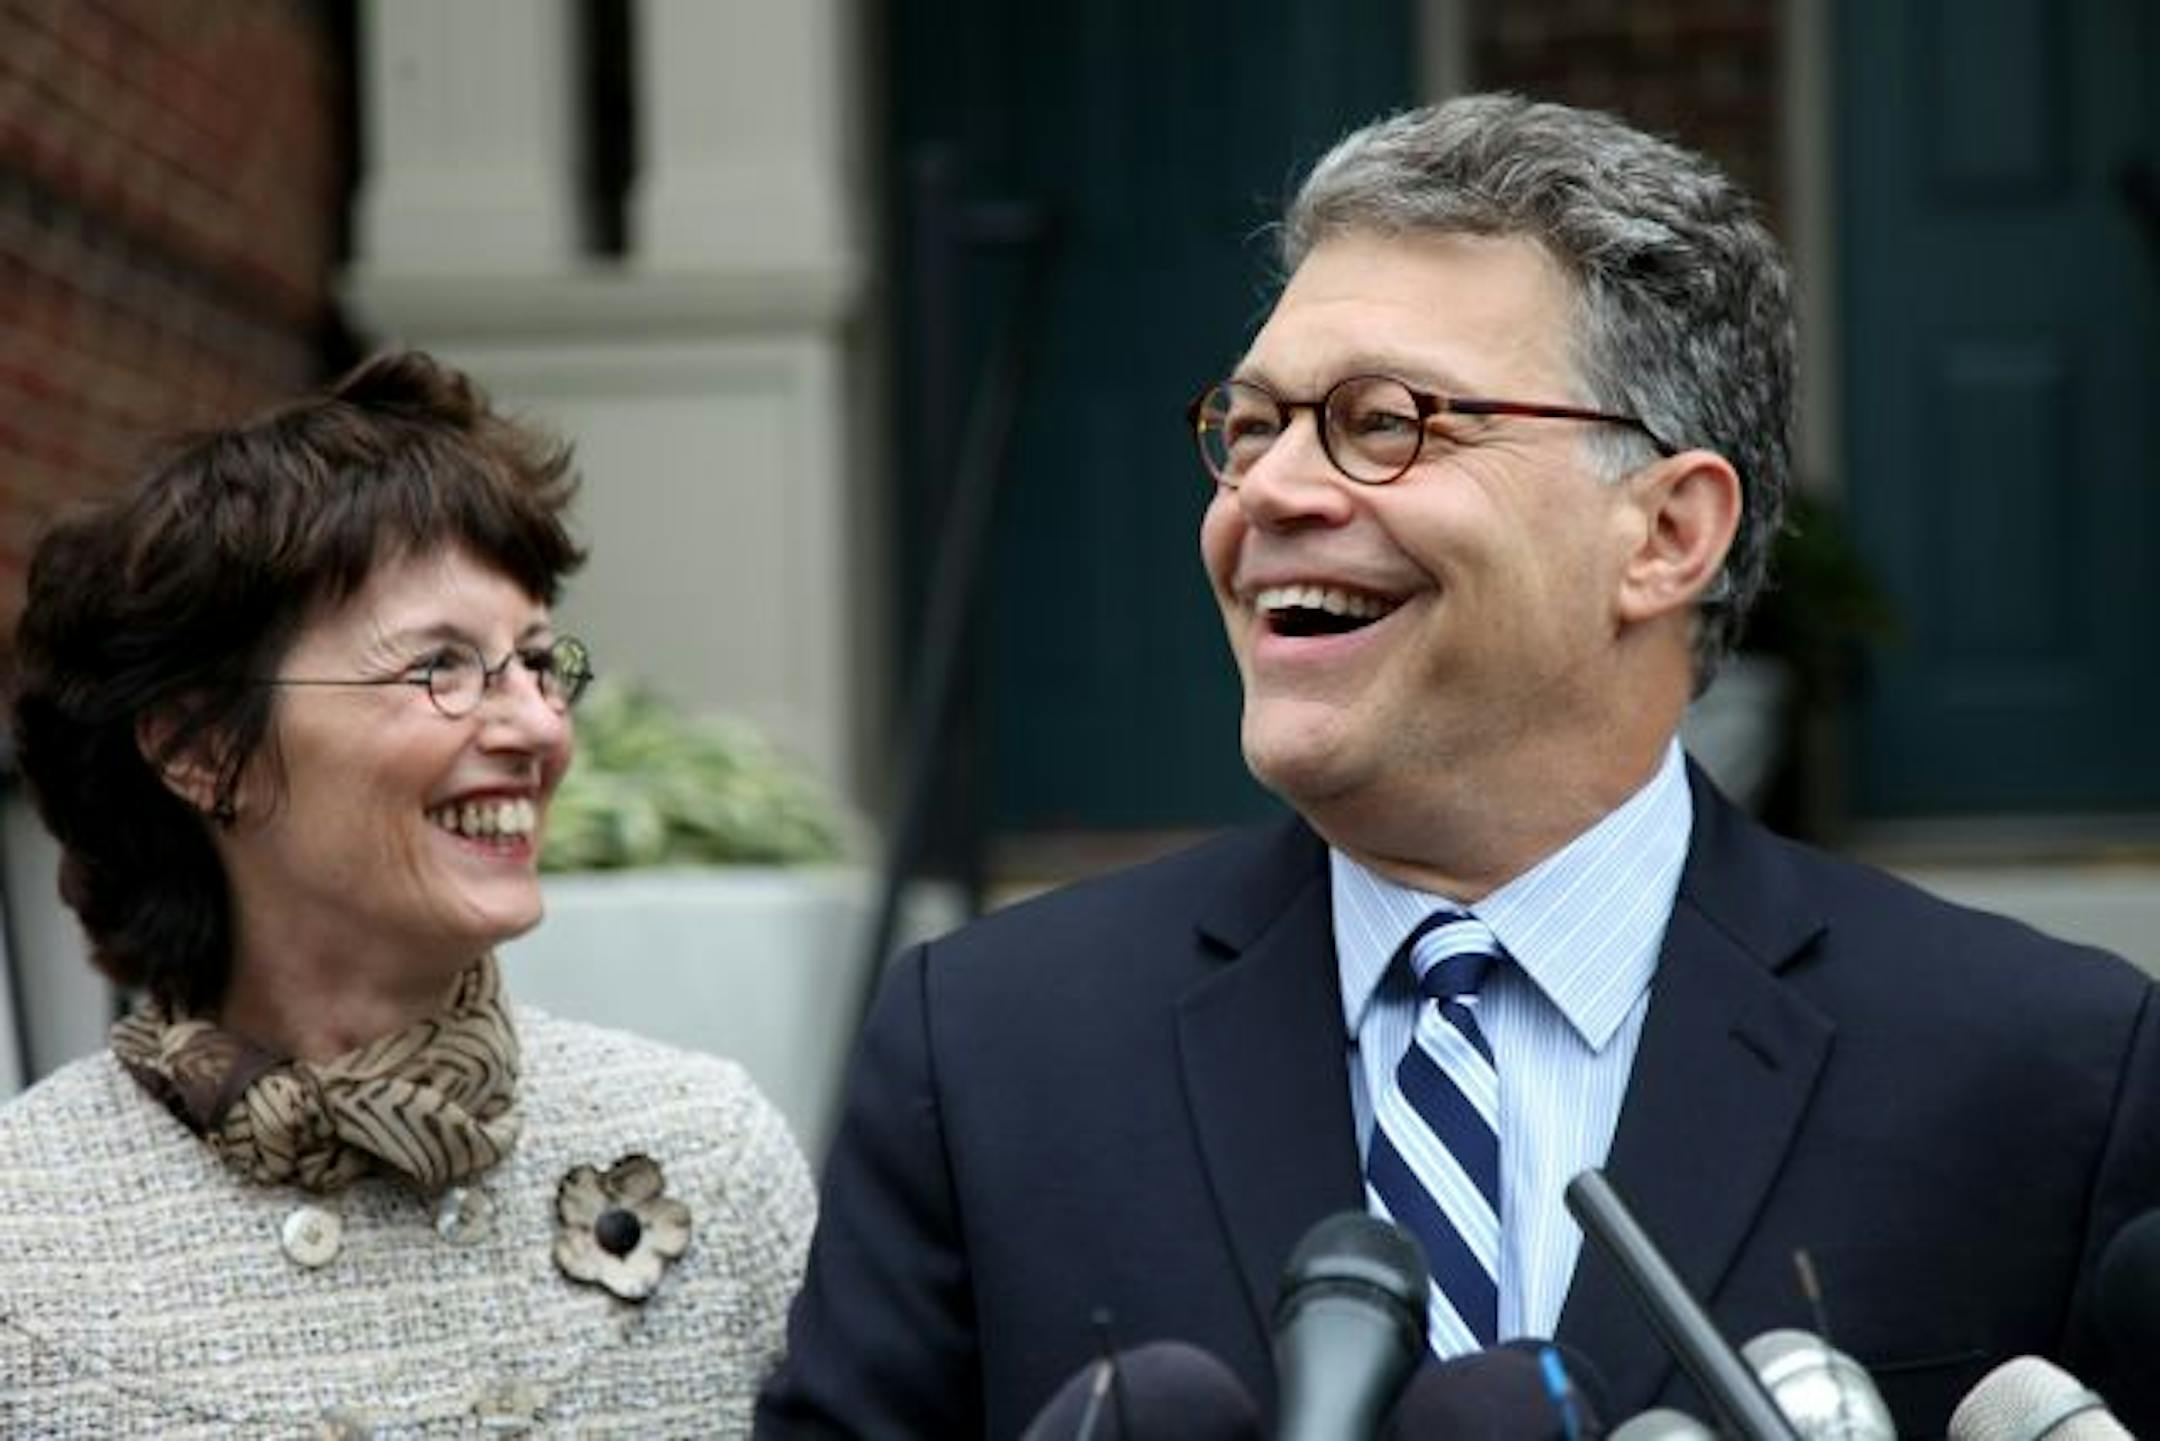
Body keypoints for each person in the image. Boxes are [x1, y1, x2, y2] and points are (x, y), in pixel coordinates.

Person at [758, 94, 2160, 1438]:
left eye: (1386, 424)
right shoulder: (991, 1052)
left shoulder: (2044, 1078)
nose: (1271, 493)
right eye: (1249, 428)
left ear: (1668, 533)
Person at [0, 351, 816, 1436]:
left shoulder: (709, 1156)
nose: (535, 726)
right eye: (441, 666)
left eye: (535, 661)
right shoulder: (28, 1235)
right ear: (203, 749)